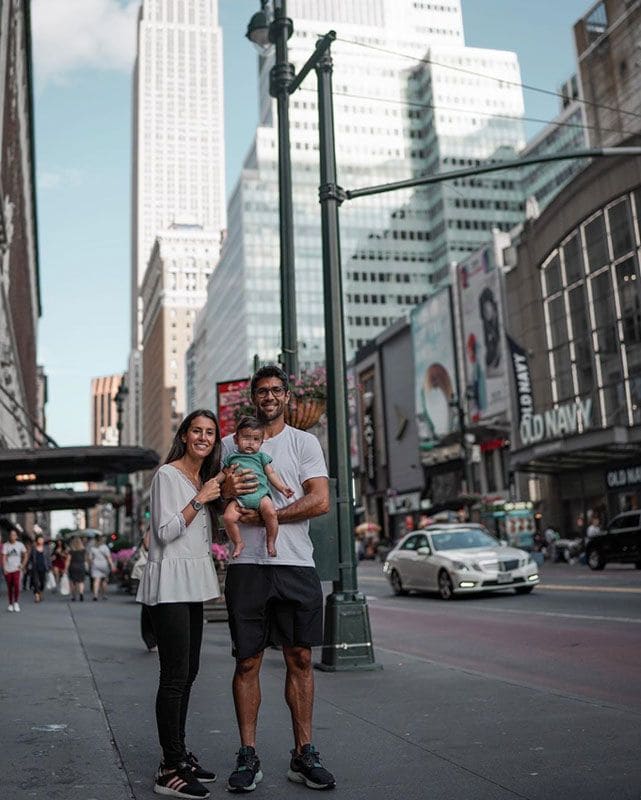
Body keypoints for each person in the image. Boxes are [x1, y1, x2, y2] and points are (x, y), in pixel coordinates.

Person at [221, 365, 336, 793]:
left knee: (301, 658)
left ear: (287, 396)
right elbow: (218, 501)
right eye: (261, 391)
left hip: (295, 564)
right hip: (246, 567)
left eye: (275, 390)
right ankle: (247, 755)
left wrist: (267, 515)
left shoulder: (303, 442)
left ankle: (303, 753)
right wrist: (234, 505)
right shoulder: (230, 444)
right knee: (247, 660)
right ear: (253, 398)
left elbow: (319, 500)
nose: (268, 396)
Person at [136, 409, 222, 800]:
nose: (203, 437)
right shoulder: (169, 475)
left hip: (190, 583)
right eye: (197, 431)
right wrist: (200, 499)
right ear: (185, 436)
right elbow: (166, 531)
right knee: (173, 676)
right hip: (169, 581)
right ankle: (169, 769)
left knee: (188, 672)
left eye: (210, 432)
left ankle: (178, 755)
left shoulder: (201, 477)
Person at [220, 415, 294, 559]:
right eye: (246, 438)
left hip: (260, 495)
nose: (250, 443)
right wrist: (214, 482)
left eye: (255, 439)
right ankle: (238, 542)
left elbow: (271, 474)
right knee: (228, 518)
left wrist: (282, 488)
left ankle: (271, 542)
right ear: (236, 439)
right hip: (240, 498)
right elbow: (224, 473)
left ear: (261, 441)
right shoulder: (232, 458)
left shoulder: (261, 457)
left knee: (271, 514)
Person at [3, 528, 27, 611]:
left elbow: (25, 555)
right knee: (10, 587)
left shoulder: (20, 545)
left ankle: (16, 603)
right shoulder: (6, 545)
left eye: (14, 535)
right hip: (8, 569)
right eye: (11, 535)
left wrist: (23, 565)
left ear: (16, 536)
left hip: (17, 569)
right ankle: (10, 604)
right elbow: (4, 557)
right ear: (9, 536)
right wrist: (4, 568)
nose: (12, 536)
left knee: (16, 585)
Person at [88, 535, 113, 601]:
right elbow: (108, 557)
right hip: (104, 564)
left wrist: (91, 565)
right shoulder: (105, 547)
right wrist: (112, 565)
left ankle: (95, 595)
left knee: (96, 580)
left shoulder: (92, 548)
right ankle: (104, 595)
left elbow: (90, 558)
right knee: (104, 580)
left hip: (95, 564)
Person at [28, 534, 51, 602]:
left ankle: (40, 592)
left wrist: (50, 566)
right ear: (37, 540)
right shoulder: (34, 548)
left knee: (42, 583)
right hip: (35, 567)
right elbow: (30, 558)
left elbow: (48, 558)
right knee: (35, 582)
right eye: (39, 539)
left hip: (43, 567)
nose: (40, 540)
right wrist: (29, 565)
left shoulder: (46, 548)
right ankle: (37, 596)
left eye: (42, 539)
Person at [66, 536, 88, 601]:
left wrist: (65, 569)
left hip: (73, 566)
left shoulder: (71, 551)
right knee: (81, 581)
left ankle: (74, 596)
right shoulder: (83, 550)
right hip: (81, 566)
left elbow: (68, 560)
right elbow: (86, 559)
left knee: (73, 582)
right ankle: (81, 594)